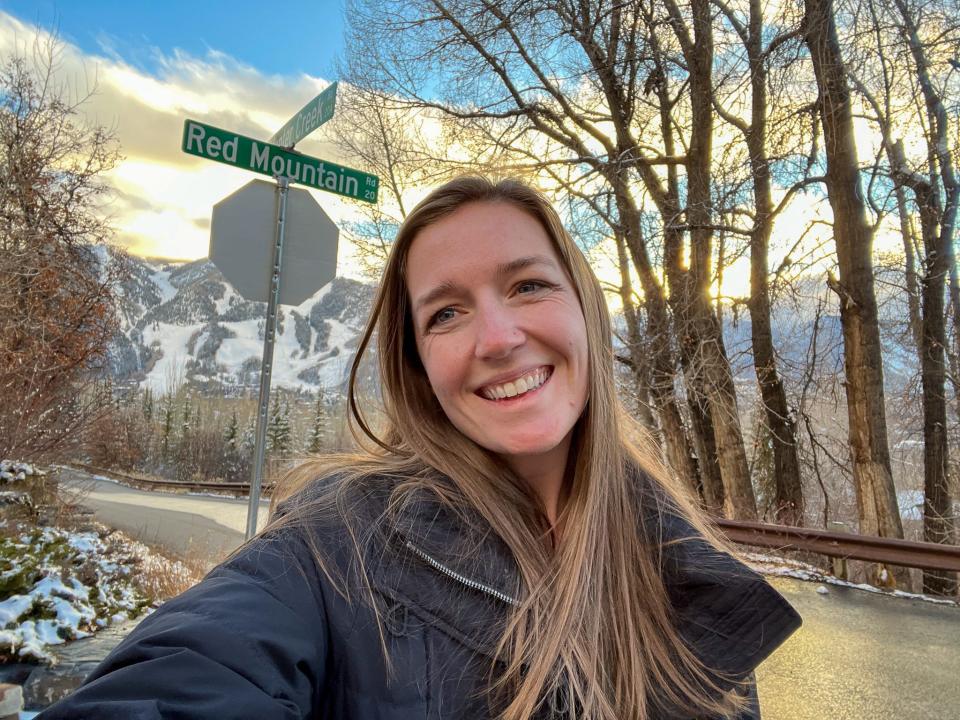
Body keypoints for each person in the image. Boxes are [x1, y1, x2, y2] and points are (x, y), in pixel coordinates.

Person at [39, 177, 801, 719]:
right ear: (418, 366)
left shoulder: (683, 568)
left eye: (529, 286)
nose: (499, 339)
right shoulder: (336, 545)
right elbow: (190, 672)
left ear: (586, 311)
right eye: (446, 314)